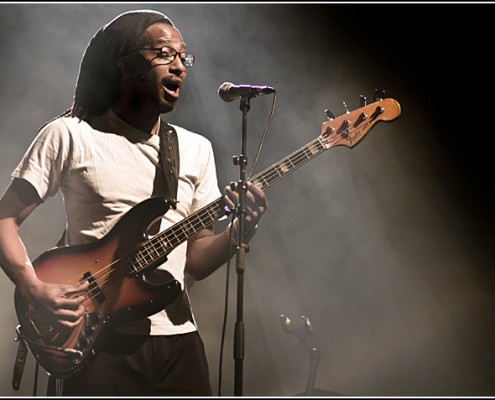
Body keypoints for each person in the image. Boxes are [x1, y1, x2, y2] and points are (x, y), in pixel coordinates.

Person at [0, 9, 267, 396]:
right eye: (164, 54)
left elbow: (196, 260)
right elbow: (5, 219)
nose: (179, 67)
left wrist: (242, 232)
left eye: (183, 57)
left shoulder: (195, 149)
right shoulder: (70, 135)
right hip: (99, 343)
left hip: (179, 342)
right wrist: (31, 286)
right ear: (125, 64)